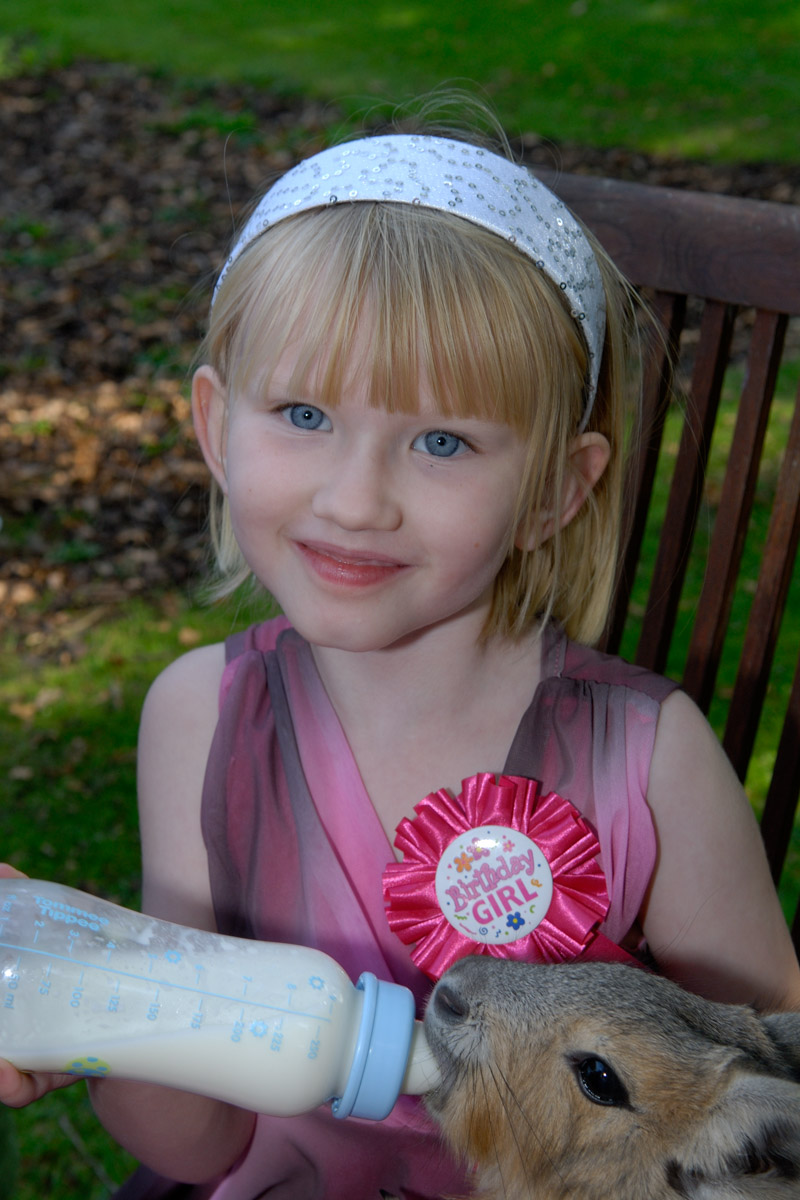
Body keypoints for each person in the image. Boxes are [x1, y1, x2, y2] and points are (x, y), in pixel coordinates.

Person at [1, 128, 798, 1199]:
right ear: (215, 426)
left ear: (556, 490)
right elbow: (196, 1146)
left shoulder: (650, 763)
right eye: (303, 415)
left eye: (440, 442)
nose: (354, 500)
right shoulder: (200, 715)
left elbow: (771, 1095)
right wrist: (93, 1004)